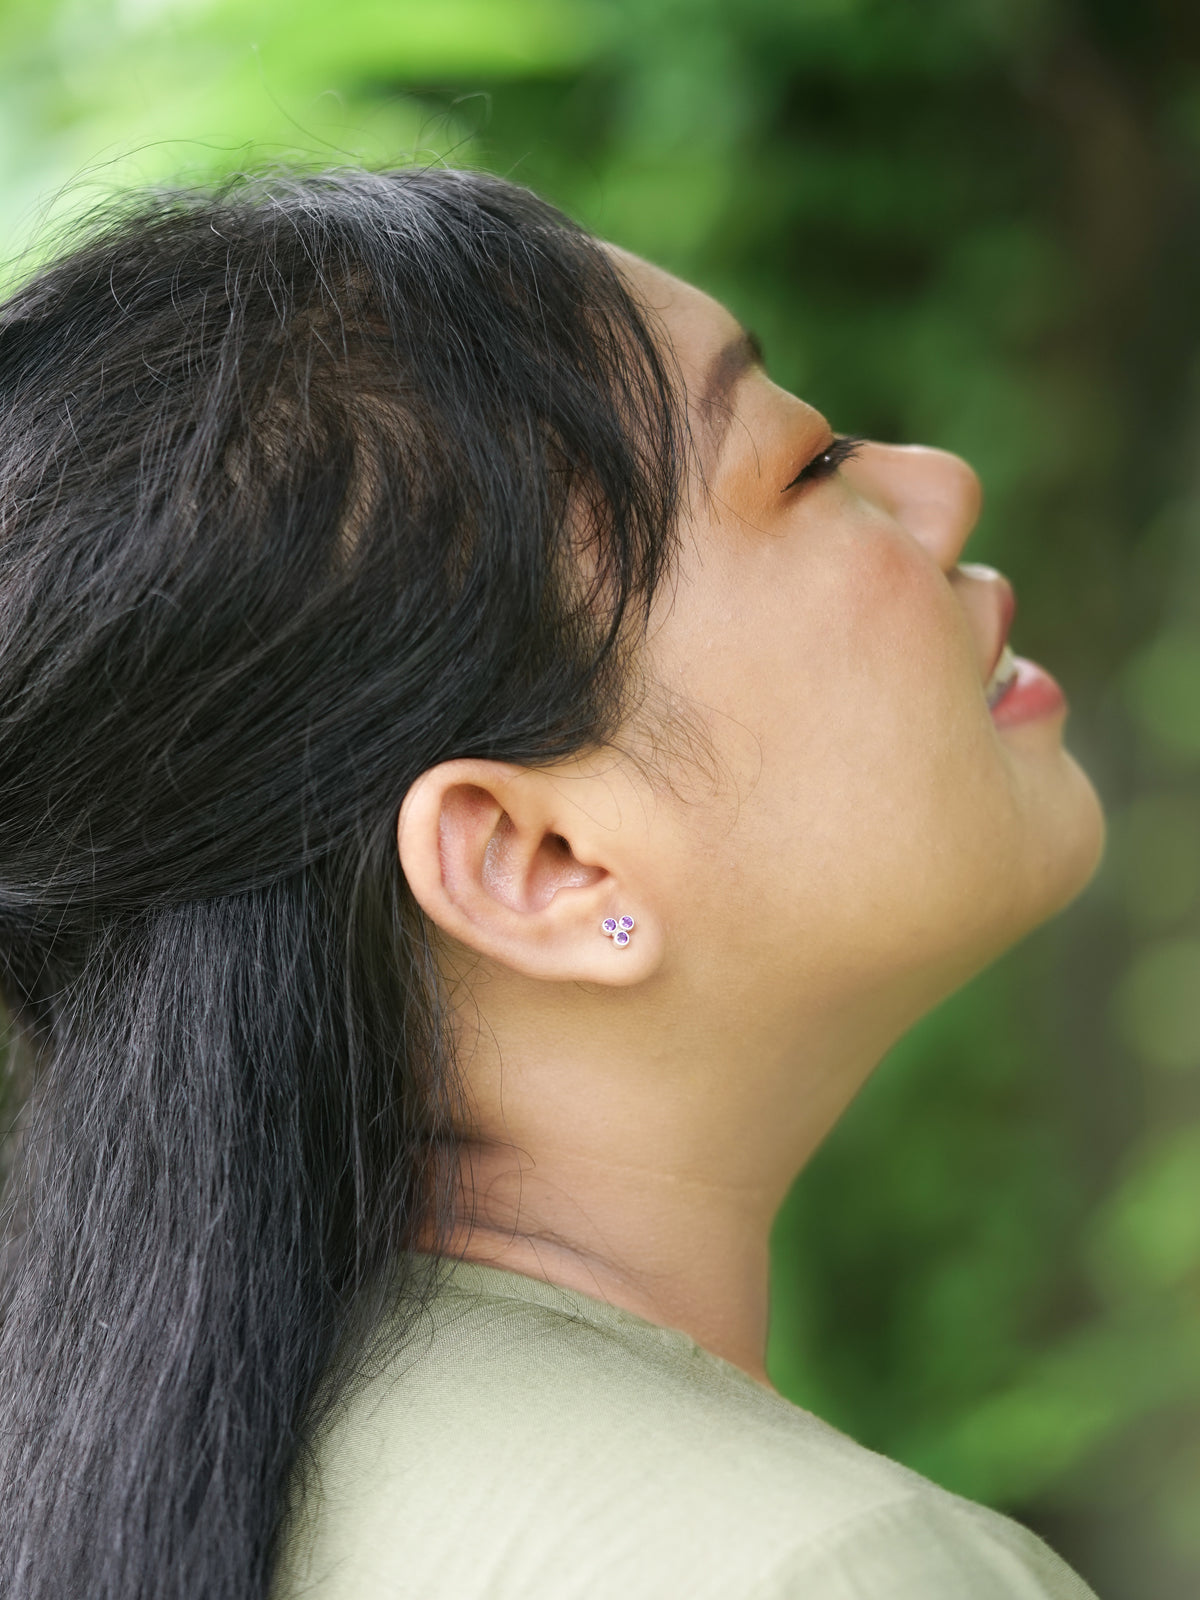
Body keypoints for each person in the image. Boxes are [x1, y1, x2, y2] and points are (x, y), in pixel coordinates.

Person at [0, 165, 1105, 1600]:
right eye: (809, 466)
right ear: (544, 865)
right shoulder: (810, 1569)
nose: (940, 485)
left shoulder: (144, 1484)